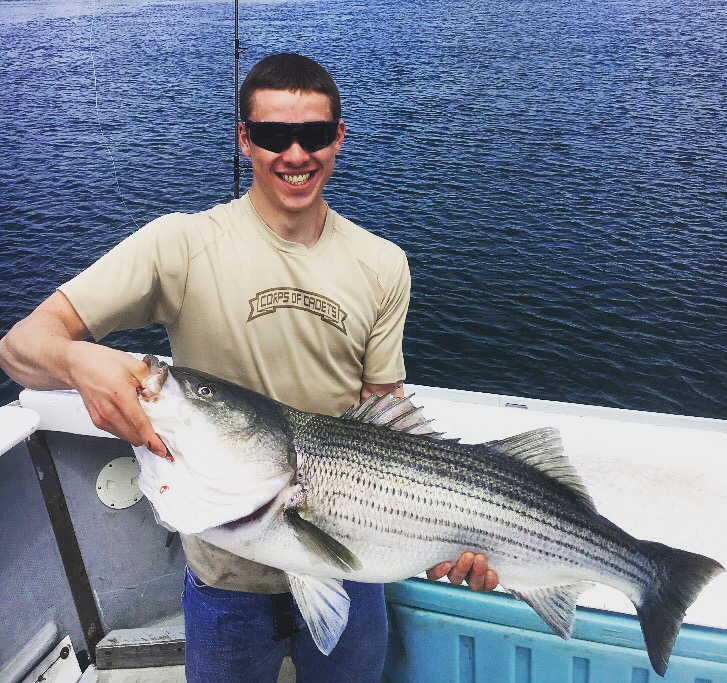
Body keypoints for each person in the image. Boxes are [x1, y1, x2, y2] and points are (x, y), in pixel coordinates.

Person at [0, 53, 498, 681]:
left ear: (339, 138)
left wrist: (444, 529)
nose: (295, 155)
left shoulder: (383, 264)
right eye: (271, 136)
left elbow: (386, 419)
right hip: (224, 583)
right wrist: (78, 360)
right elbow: (20, 345)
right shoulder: (178, 245)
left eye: (314, 135)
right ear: (244, 141)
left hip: (348, 562)